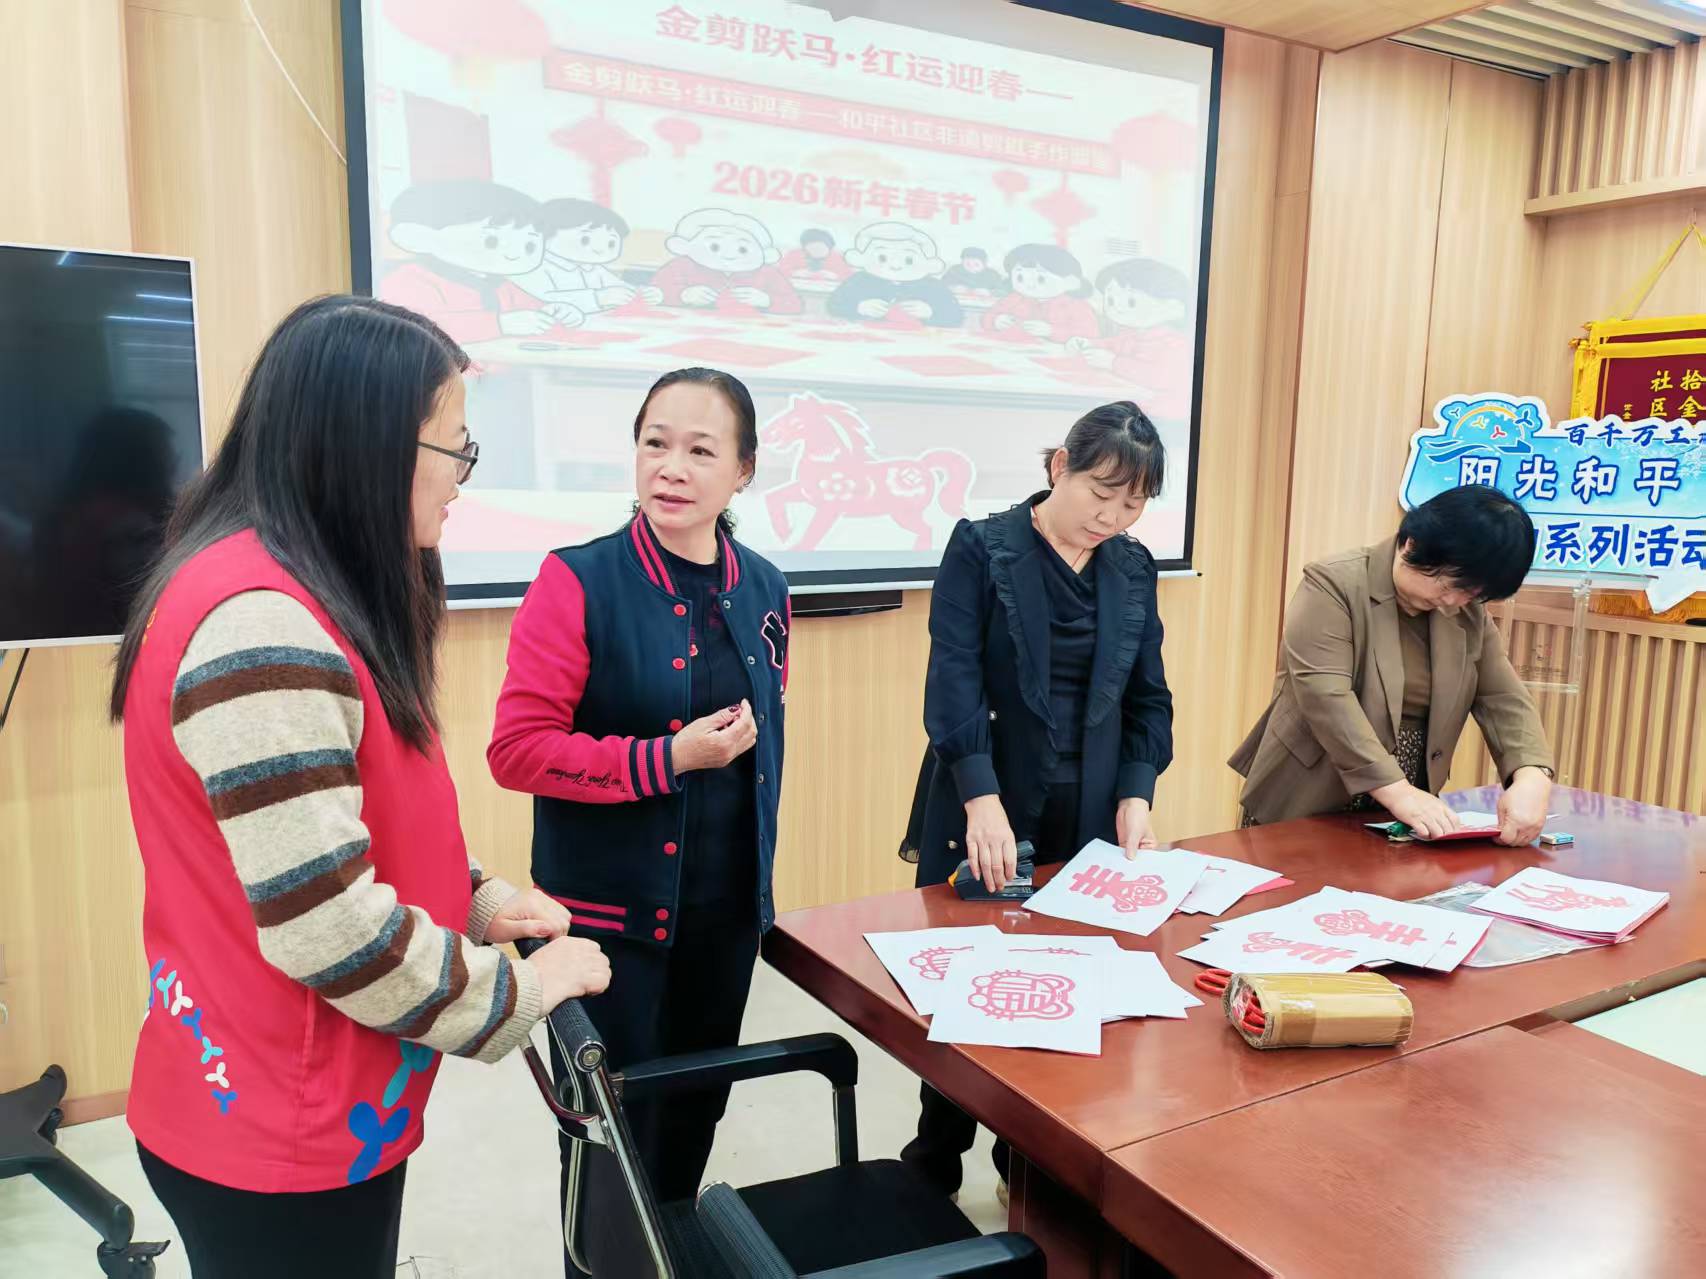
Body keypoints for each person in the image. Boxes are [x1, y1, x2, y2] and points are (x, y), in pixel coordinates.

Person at [107, 295, 611, 1278]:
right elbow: (327, 926)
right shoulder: (264, 625)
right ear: (368, 445)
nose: (461, 478)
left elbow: (334, 822)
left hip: (279, 1093)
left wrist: (474, 898)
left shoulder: (290, 586)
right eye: (454, 449)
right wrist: (525, 988)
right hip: (274, 1125)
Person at [488, 367, 791, 1276]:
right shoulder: (577, 579)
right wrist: (667, 759)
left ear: (743, 470)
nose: (672, 466)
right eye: (655, 442)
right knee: (606, 1142)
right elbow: (517, 750)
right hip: (607, 926)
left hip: (723, 915)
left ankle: (672, 1259)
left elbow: (761, 755)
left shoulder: (765, 586)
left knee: (695, 1113)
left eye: (701, 449)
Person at [898, 401, 1174, 1198]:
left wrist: (1137, 792)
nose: (1111, 517)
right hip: (987, 794)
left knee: (1062, 988)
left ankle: (1024, 1165)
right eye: (1101, 492)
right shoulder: (982, 547)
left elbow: (1148, 696)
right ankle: (934, 1159)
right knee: (967, 987)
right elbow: (953, 677)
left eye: (1132, 503)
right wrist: (980, 797)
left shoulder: (1132, 567)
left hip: (1088, 815)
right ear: (1059, 466)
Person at [1229, 485, 1554, 841]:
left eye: (1472, 593)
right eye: (1449, 585)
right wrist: (1397, 791)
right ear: (1412, 545)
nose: (1454, 602)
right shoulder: (1333, 584)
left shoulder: (1466, 612)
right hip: (1310, 791)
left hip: (1400, 808)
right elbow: (1325, 696)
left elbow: (1502, 696)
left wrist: (1532, 775)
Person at [381, 179, 582, 339]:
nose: (513, 254)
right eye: (492, 241)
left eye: (530, 245)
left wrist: (555, 313)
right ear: (418, 237)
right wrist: (500, 324)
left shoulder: (502, 285)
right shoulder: (409, 280)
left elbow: (529, 312)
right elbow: (417, 329)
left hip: (505, 372)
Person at [518, 197, 662, 314]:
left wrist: (642, 294)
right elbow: (543, 300)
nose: (599, 250)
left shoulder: (594, 269)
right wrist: (598, 298)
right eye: (585, 240)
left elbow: (618, 287)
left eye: (611, 243)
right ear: (545, 234)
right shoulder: (536, 266)